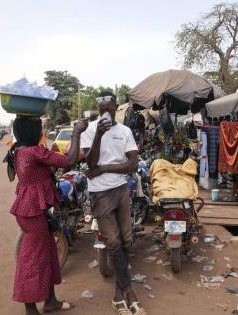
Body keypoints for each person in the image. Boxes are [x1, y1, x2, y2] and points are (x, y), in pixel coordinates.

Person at [9, 116, 88, 315]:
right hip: (33, 211)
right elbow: (69, 160)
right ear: (32, 133)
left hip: (33, 209)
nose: (41, 133)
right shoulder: (34, 151)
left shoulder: (19, 150)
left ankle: (51, 301)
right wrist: (77, 132)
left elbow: (42, 171)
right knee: (32, 259)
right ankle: (30, 308)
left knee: (49, 253)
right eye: (39, 130)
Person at [81, 91, 146, 315]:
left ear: (116, 107)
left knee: (127, 241)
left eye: (110, 108)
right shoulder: (90, 130)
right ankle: (129, 292)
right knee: (114, 243)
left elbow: (133, 164)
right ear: (98, 110)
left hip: (121, 189)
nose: (106, 112)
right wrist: (98, 135)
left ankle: (118, 296)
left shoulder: (125, 131)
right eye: (102, 109)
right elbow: (89, 162)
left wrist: (105, 168)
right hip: (100, 193)